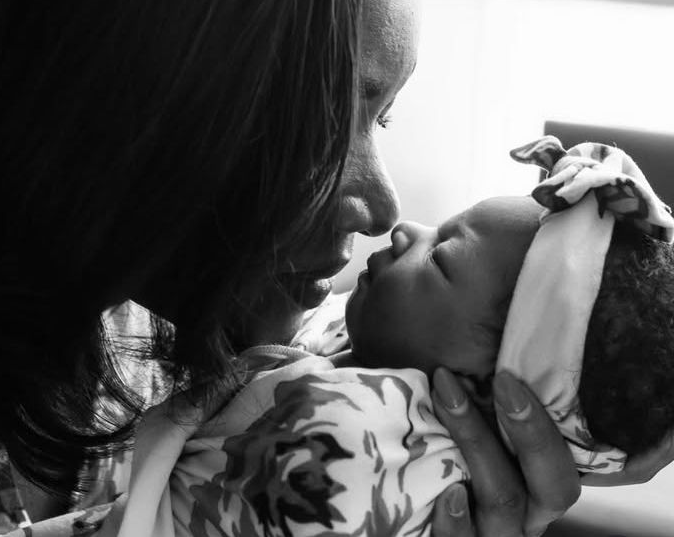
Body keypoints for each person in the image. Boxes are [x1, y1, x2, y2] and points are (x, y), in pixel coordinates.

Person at [0, 0, 669, 535]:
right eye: (323, 124)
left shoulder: (162, 336)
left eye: (381, 116)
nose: (384, 206)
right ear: (118, 76)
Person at [104, 136, 674, 537]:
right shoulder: (366, 359)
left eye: (442, 258)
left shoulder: (357, 434)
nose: (401, 225)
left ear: (486, 388)